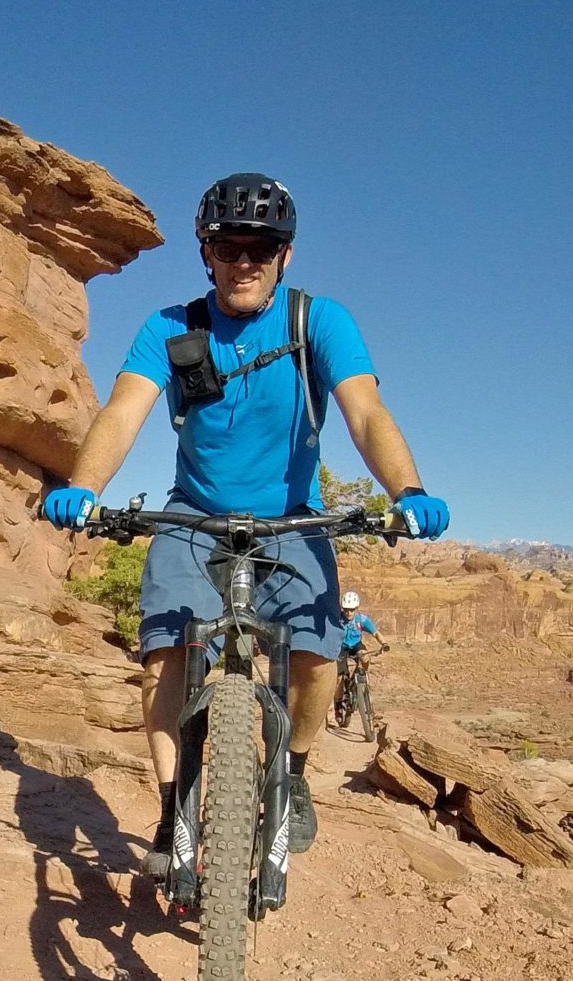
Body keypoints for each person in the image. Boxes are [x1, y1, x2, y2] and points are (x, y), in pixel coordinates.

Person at [41, 172, 448, 875]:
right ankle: (174, 813)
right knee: (165, 657)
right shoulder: (172, 327)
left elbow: (365, 413)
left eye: (261, 247)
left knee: (318, 652)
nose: (245, 261)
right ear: (208, 253)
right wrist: (83, 485)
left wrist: (407, 489)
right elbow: (123, 411)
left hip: (292, 521)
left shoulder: (316, 322)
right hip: (194, 516)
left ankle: (290, 772)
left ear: (284, 255)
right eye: (230, 246)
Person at [335, 589, 387, 716]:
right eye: (346, 609)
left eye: (352, 609)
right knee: (340, 678)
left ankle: (361, 676)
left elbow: (375, 633)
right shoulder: (337, 619)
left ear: (356, 608)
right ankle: (338, 704)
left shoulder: (362, 620)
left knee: (365, 657)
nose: (348, 612)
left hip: (356, 645)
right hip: (341, 647)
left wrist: (384, 643)